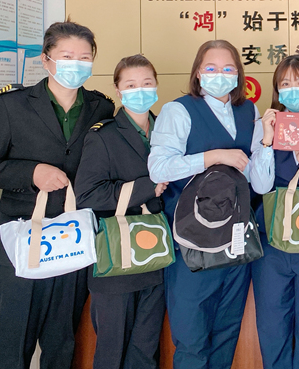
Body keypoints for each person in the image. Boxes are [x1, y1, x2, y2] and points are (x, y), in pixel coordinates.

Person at [0, 21, 114, 369]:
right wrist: (32, 173)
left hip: (73, 236)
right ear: (46, 59)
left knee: (62, 340)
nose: (76, 64)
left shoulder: (100, 108)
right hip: (22, 237)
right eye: (67, 56)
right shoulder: (11, 105)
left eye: (84, 57)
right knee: (15, 340)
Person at [148, 40, 263, 369]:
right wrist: (212, 157)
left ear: (238, 74)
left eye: (228, 68)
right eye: (211, 68)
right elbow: (159, 168)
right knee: (192, 339)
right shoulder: (178, 110)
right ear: (198, 73)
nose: (219, 74)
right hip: (192, 243)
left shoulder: (249, 111)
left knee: (226, 333)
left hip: (236, 241)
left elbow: (256, 173)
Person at [75, 54, 167, 369]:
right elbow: (87, 195)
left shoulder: (169, 131)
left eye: (146, 83)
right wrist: (146, 187)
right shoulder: (103, 135)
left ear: (156, 86)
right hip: (116, 261)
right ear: (118, 91)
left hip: (158, 258)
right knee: (112, 352)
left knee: (146, 351)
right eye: (130, 85)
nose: (140, 90)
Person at [248, 55, 299, 369]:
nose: (294, 89)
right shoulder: (265, 125)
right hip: (271, 237)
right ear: (277, 91)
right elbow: (260, 185)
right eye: (286, 83)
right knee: (272, 322)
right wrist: (267, 142)